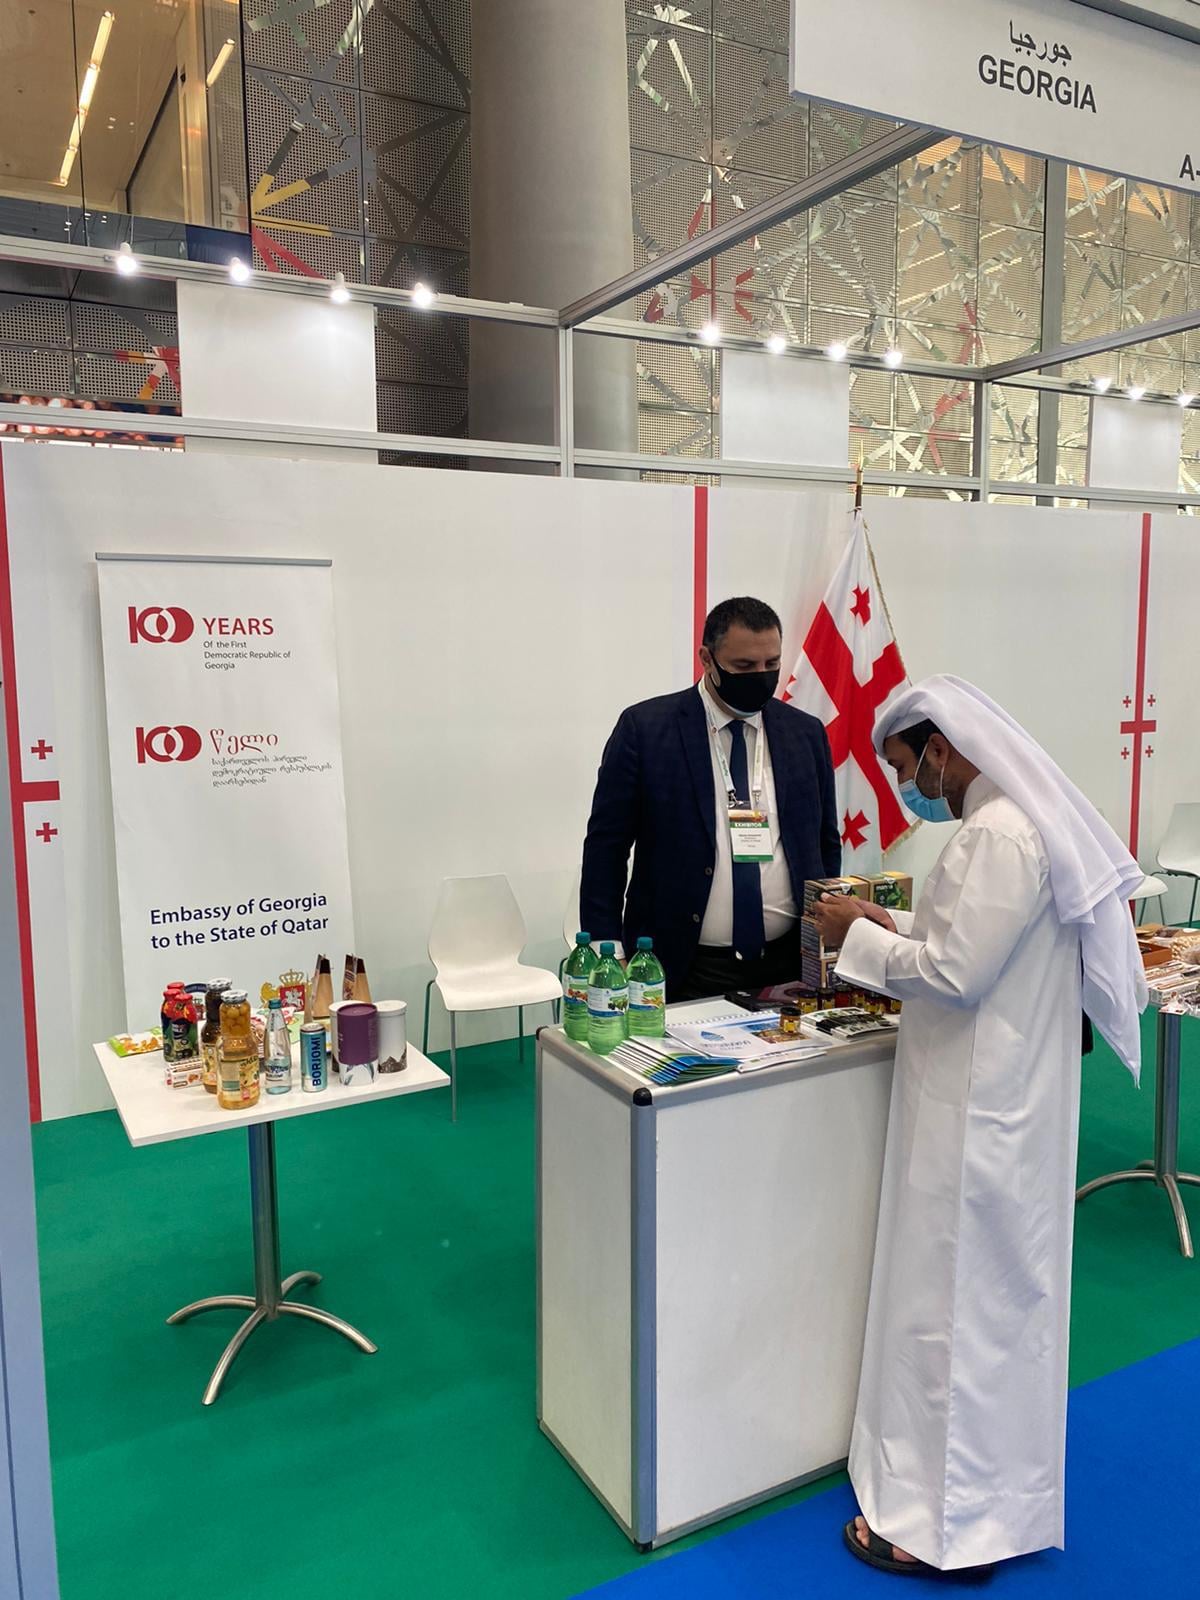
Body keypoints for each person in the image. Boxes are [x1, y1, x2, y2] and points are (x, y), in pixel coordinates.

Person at [811, 675, 1146, 1578]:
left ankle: (942, 1534)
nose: (905, 787)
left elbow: (955, 974)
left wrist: (854, 939)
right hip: (1000, 1104)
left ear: (942, 749)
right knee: (993, 1314)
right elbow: (968, 936)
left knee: (956, 1314)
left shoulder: (998, 833)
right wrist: (886, 919)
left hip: (980, 1116)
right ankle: (989, 1510)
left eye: (904, 767)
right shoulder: (1014, 825)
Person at [581, 596, 840, 1000]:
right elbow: (606, 848)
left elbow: (825, 842)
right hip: (680, 963)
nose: (760, 676)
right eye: (744, 666)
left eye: (771, 664)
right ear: (707, 658)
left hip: (787, 964)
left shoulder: (805, 734)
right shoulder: (646, 730)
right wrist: (607, 950)